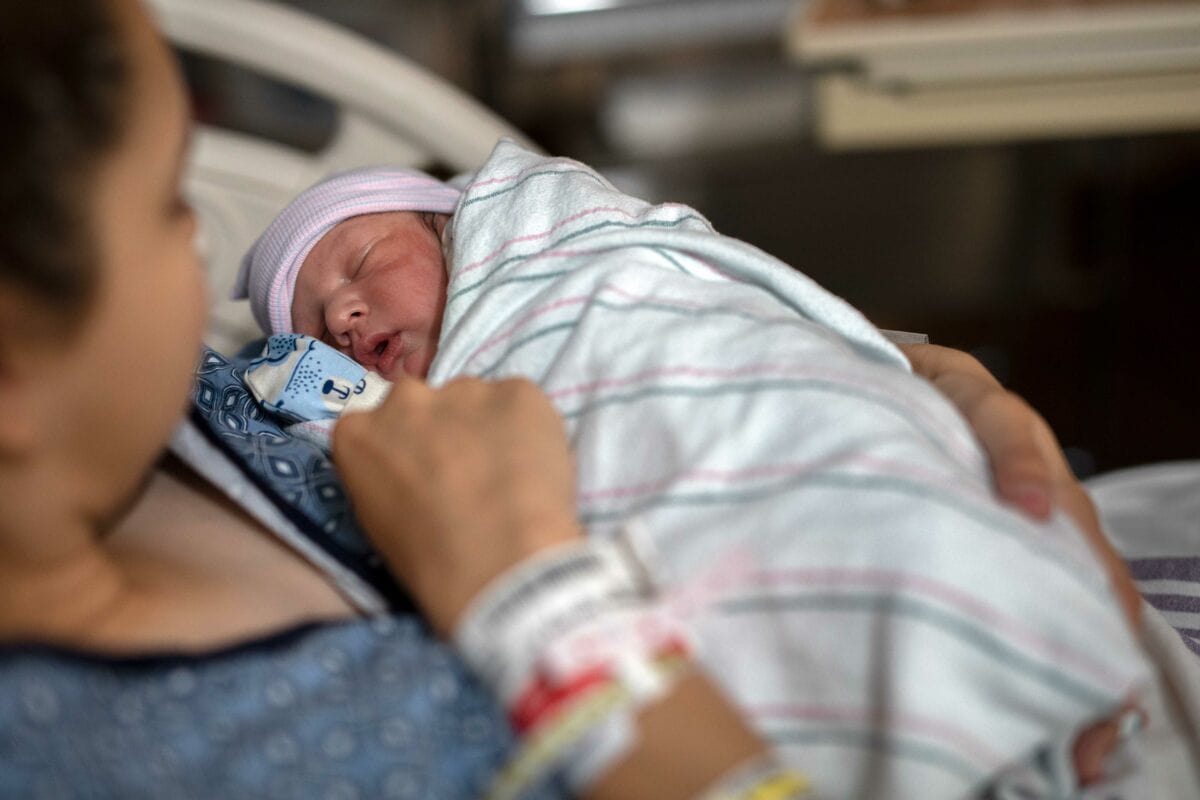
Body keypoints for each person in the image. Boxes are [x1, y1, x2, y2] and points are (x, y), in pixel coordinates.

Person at [0, 1, 1147, 798]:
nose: (206, 238)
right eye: (163, 204)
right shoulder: (118, 748)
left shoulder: (200, 402)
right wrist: (537, 604)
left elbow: (660, 327)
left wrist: (929, 384)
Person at [236, 147, 1153, 797]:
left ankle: (1003, 673)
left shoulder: (560, 246)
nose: (346, 311)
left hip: (810, 451)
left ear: (452, 225)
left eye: (358, 263)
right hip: (662, 588)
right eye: (316, 326)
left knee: (899, 534)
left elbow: (737, 322)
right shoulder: (371, 424)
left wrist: (951, 377)